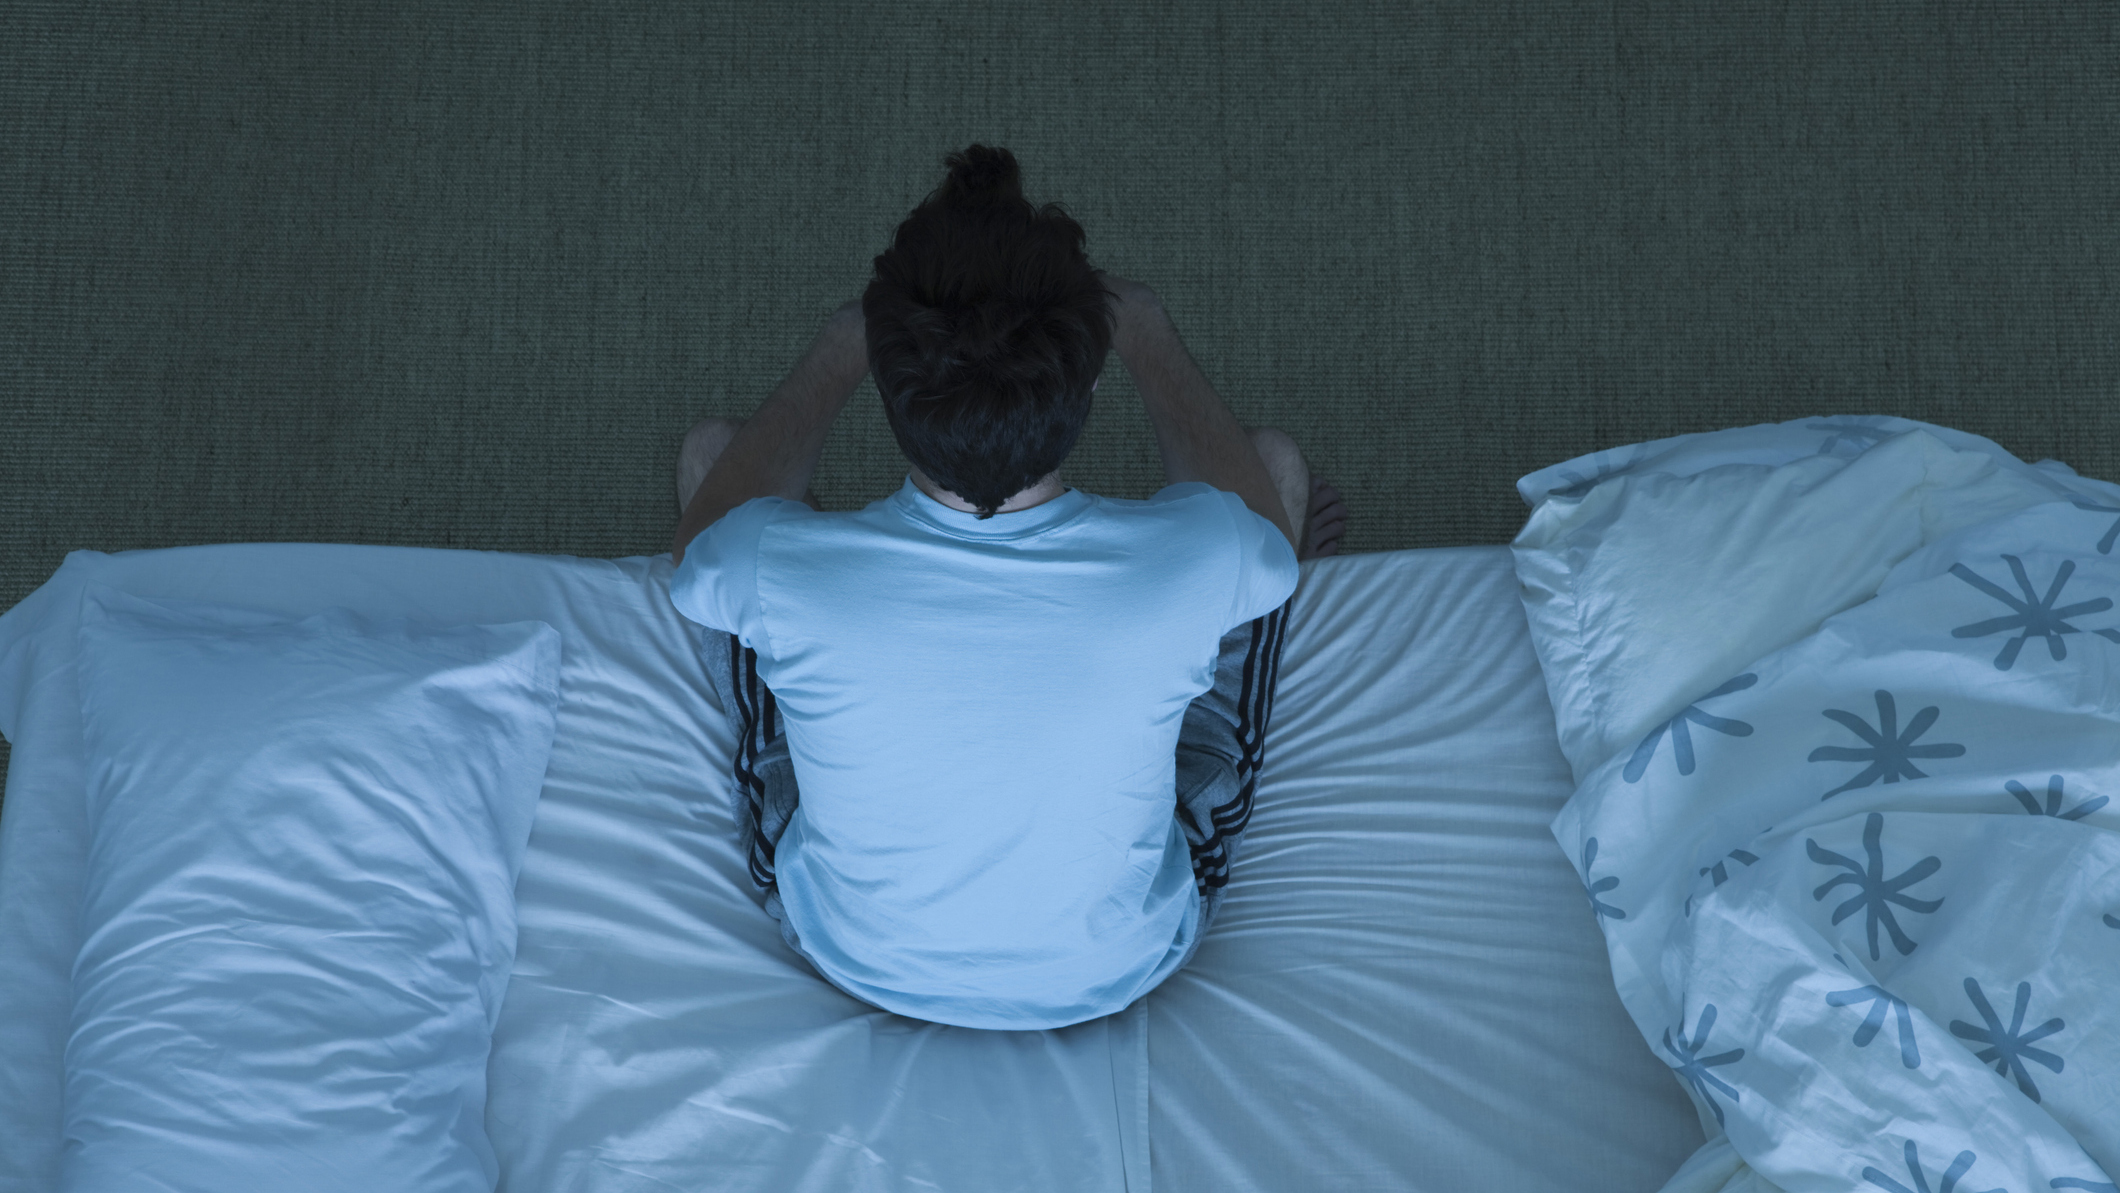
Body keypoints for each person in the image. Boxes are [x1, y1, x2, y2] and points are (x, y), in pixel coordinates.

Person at [666, 144, 1349, 1031]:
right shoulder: (1208, 548)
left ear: (888, 388)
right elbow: (1265, 539)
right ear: (1092, 379)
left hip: (853, 950)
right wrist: (1140, 321)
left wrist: (840, 348)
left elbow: (696, 552)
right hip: (1123, 959)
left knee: (715, 458)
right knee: (1275, 473)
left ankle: (826, 568)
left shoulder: (761, 562)